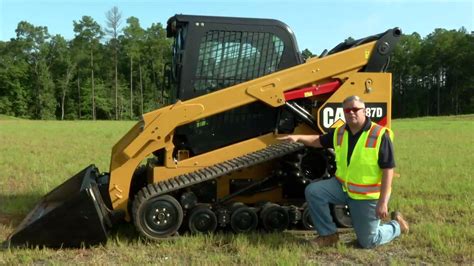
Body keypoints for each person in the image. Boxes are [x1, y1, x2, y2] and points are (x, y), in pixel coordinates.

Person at [279, 95, 408, 248]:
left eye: (355, 109)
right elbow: (319, 141)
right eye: (347, 110)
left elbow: (388, 170)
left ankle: (397, 226)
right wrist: (298, 137)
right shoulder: (340, 132)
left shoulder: (379, 135)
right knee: (314, 191)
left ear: (365, 111)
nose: (351, 113)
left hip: (366, 196)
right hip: (342, 187)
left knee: (368, 242)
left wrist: (383, 202)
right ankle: (328, 235)